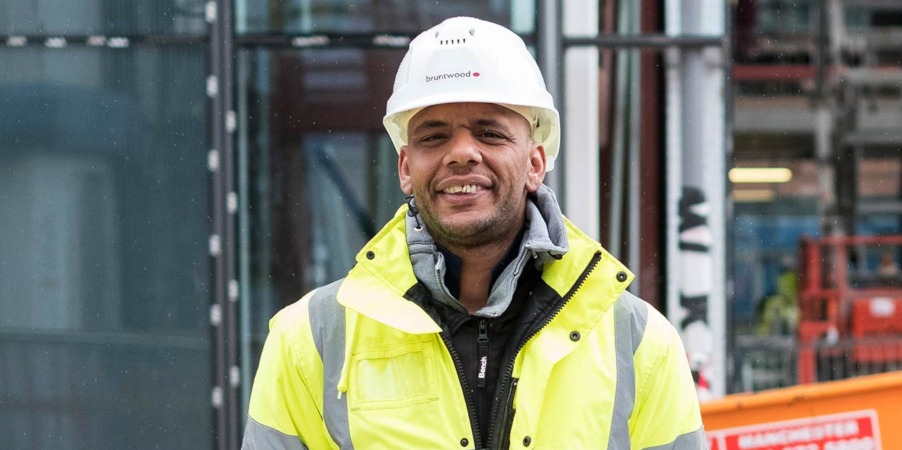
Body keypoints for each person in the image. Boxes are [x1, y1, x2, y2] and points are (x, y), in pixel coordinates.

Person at [242, 17, 704, 449]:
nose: (462, 153)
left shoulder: (639, 342)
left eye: (490, 133)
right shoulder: (311, 340)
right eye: (434, 137)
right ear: (406, 168)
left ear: (535, 164)